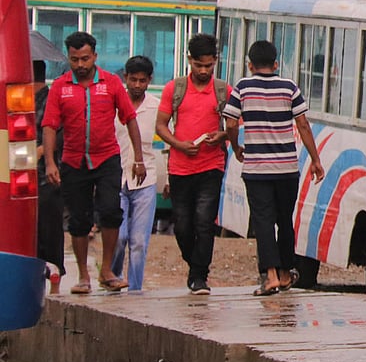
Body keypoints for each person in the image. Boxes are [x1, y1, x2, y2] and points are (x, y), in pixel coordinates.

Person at [42, 31, 145, 294]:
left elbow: (130, 118)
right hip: (73, 161)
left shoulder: (110, 83)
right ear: (69, 58)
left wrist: (138, 158)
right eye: (75, 59)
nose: (80, 65)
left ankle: (107, 270)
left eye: (85, 59)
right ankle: (83, 275)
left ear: (94, 56)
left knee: (111, 211)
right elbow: (50, 125)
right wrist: (51, 163)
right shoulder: (60, 87)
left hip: (107, 158)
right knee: (78, 219)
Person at [222, 40, 325, 296]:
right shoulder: (289, 87)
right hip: (287, 168)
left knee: (263, 221)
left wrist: (235, 147)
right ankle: (285, 272)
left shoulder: (242, 88)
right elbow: (302, 124)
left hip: (257, 169)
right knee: (284, 221)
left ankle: (270, 277)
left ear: (250, 64)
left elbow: (231, 122)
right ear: (276, 64)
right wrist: (315, 159)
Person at [155, 33, 228, 295]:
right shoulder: (174, 89)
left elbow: (234, 124)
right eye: (199, 65)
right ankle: (193, 264)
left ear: (215, 62)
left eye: (209, 66)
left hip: (211, 165)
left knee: (204, 221)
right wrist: (178, 144)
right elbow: (161, 125)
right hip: (180, 167)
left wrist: (222, 135)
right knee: (183, 224)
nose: (204, 71)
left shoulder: (222, 91)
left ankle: (200, 276)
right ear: (190, 61)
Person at [111, 56, 160, 292]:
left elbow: (166, 141)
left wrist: (168, 178)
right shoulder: (113, 104)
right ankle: (114, 276)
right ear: (125, 79)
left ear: (149, 80)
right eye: (133, 80)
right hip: (116, 178)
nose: (137, 85)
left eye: (142, 80)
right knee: (119, 238)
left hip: (146, 180)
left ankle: (135, 289)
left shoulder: (156, 107)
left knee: (139, 241)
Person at [33, 59, 65, 293]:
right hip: (23, 172)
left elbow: (60, 133)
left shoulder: (52, 99)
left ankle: (54, 277)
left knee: (49, 228)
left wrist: (41, 150)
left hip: (48, 172)